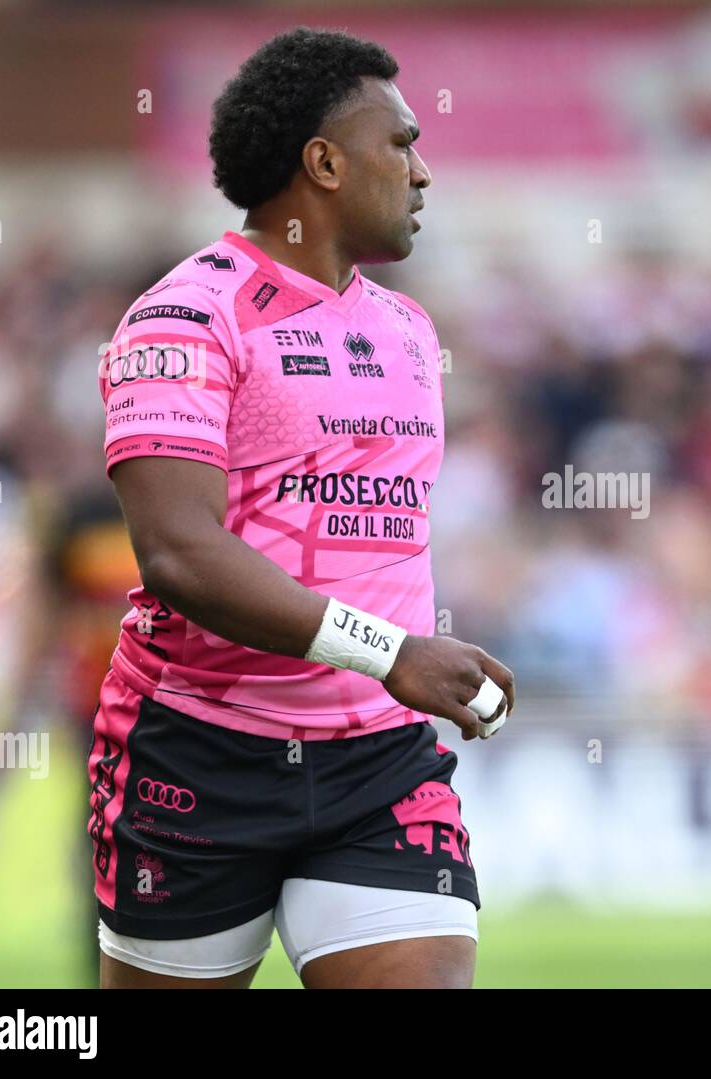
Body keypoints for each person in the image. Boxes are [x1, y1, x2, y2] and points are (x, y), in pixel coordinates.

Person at [87, 27, 515, 989]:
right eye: (400, 144)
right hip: (198, 752)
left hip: (378, 760)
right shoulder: (185, 317)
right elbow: (179, 556)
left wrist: (401, 663)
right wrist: (395, 652)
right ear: (323, 162)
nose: (423, 172)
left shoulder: (409, 332)